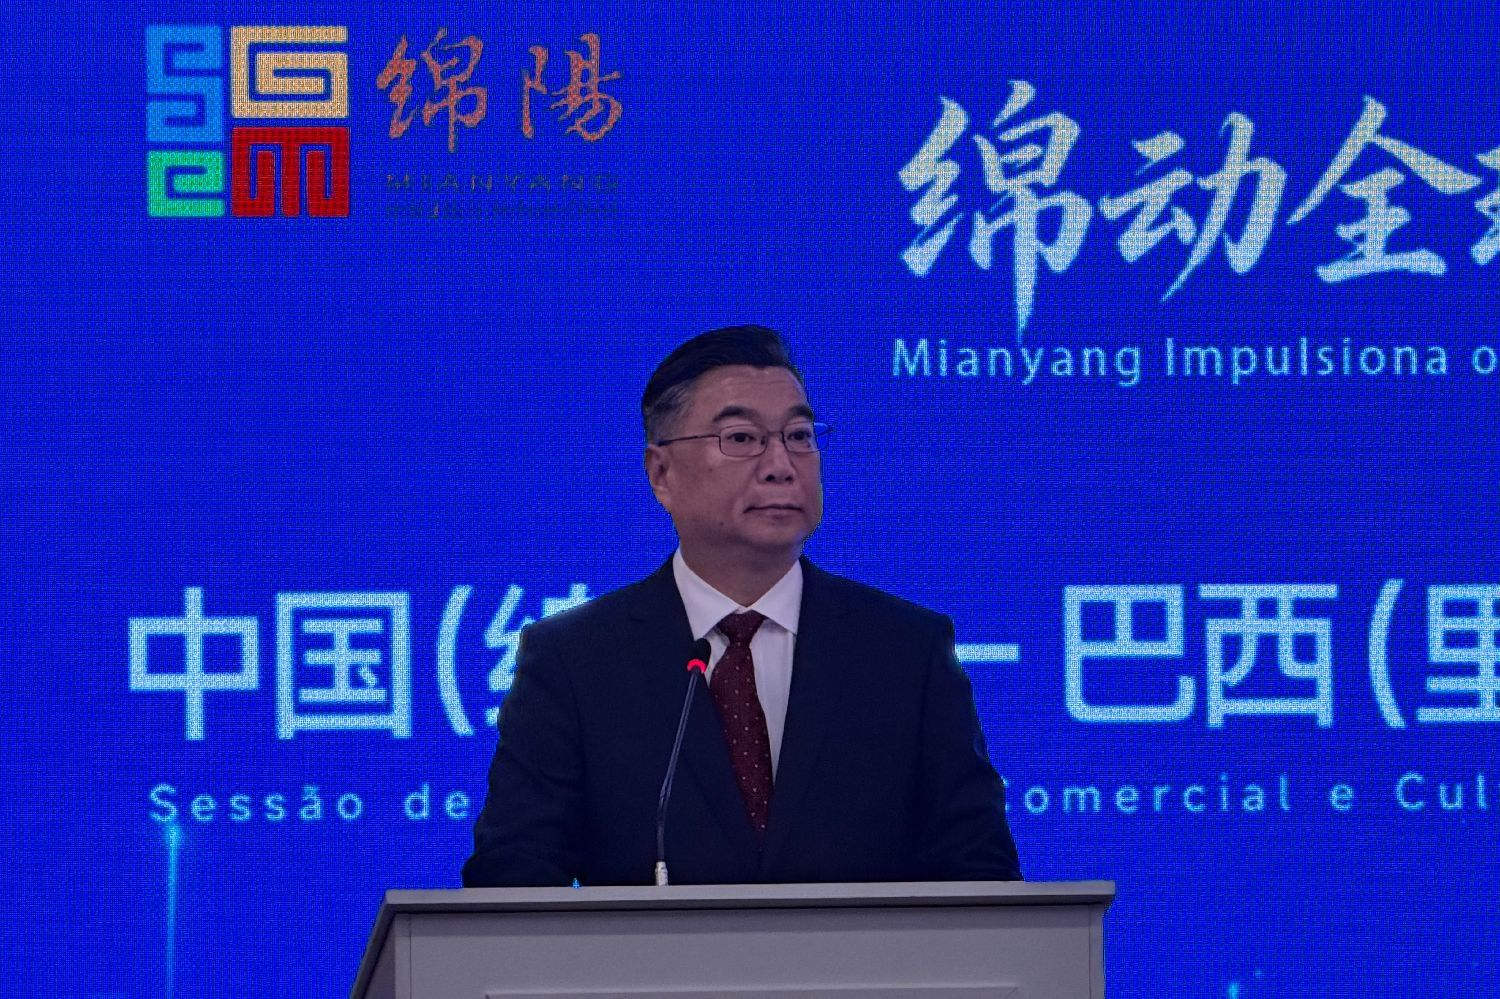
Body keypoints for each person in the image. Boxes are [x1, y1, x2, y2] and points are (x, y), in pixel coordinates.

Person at [462, 325, 1020, 886]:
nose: (781, 464)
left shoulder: (905, 651)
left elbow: (982, 877)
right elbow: (511, 883)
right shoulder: (576, 661)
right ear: (661, 474)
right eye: (742, 438)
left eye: (799, 435)